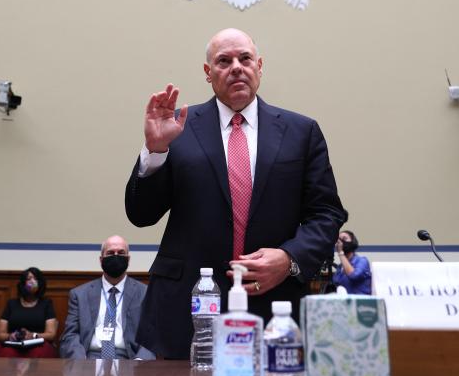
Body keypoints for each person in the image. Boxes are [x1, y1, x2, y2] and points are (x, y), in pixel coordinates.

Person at [125, 28, 346, 359]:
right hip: (185, 310)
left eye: (245, 59)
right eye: (224, 61)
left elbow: (326, 214)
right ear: (207, 73)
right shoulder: (177, 128)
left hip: (274, 307)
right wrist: (155, 151)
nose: (236, 67)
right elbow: (141, 215)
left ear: (259, 65)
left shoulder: (301, 132)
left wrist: (289, 260)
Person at [59, 235, 154, 360]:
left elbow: (151, 336)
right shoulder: (79, 294)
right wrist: (81, 363)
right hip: (88, 360)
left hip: (129, 361)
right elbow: (70, 335)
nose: (116, 256)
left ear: (128, 259)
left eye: (121, 253)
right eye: (110, 253)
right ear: (101, 259)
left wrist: (139, 363)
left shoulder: (144, 293)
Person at [0, 267, 58, 358]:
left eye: (35, 279)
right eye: (29, 279)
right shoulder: (11, 304)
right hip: (14, 344)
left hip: (38, 343)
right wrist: (11, 336)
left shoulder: (46, 304)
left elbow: (51, 334)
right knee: (7, 353)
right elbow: (0, 334)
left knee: (39, 353)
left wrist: (33, 335)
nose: (32, 282)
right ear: (23, 283)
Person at [333, 229, 372, 294]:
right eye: (339, 240)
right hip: (345, 302)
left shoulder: (362, 261)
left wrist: (340, 253)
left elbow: (354, 275)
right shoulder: (340, 267)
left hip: (361, 302)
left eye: (344, 238)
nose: (341, 242)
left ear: (352, 242)